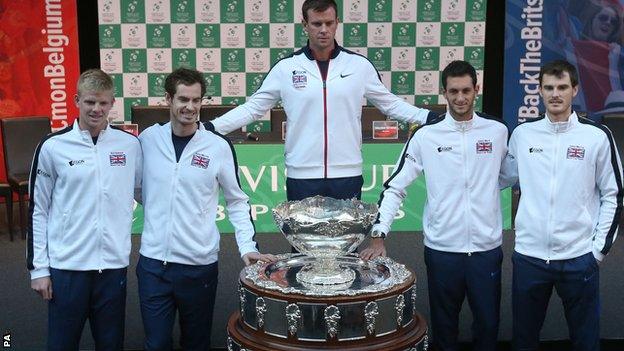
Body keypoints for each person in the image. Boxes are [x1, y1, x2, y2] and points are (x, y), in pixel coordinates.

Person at [208, 0, 435, 201]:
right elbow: (253, 109)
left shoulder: (358, 66)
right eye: (317, 24)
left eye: (329, 23)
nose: (324, 30)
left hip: (347, 173)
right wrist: (211, 127)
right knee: (303, 245)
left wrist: (428, 117)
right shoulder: (286, 68)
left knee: (347, 245)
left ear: (337, 22)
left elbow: (390, 103)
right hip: (302, 174)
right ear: (305, 25)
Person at [360, 60, 509, 351]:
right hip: (443, 250)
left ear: (476, 90)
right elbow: (395, 187)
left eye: (466, 90)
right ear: (444, 92)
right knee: (444, 330)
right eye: (453, 91)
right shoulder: (426, 135)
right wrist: (379, 234)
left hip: (486, 250)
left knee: (489, 327)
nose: (460, 98)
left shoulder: (497, 131)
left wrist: (484, 189)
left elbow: (512, 174)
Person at [137, 67, 276, 350]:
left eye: (196, 100)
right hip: (153, 265)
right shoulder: (148, 140)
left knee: (197, 343)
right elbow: (136, 188)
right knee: (156, 344)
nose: (190, 107)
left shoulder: (217, 147)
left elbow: (237, 201)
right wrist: (161, 208)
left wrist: (246, 246)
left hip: (198, 267)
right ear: (168, 100)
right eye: (183, 99)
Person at [502, 60, 623, 351]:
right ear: (540, 92)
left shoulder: (596, 136)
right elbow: (499, 179)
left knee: (585, 341)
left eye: (562, 87)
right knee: (524, 341)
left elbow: (614, 195)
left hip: (579, 257)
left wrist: (597, 251)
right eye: (549, 88)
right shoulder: (522, 135)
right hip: (530, 257)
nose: (555, 94)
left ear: (575, 90)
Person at [28, 69, 142, 350]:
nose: (96, 109)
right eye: (90, 102)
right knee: (62, 345)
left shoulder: (129, 146)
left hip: (113, 268)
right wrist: (38, 269)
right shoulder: (53, 146)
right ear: (77, 100)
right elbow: (38, 210)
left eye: (103, 103)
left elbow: (147, 194)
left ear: (112, 103)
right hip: (68, 268)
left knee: (111, 345)